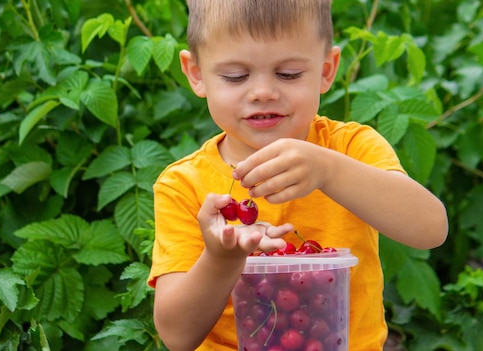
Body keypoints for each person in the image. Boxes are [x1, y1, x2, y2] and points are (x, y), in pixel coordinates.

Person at [147, 0, 449, 350]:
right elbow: (177, 335)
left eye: (288, 73)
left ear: (326, 70)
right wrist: (221, 258)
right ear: (196, 74)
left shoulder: (349, 149)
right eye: (236, 76)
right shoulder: (184, 186)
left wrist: (329, 170)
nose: (263, 92)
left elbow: (430, 229)